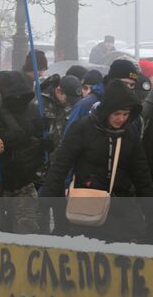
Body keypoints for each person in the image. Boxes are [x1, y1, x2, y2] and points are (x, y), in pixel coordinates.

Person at [40, 82, 153, 240]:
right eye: (117, 114)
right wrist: (44, 203)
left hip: (121, 208)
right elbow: (60, 166)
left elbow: (141, 175)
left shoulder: (129, 133)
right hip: (87, 206)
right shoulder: (82, 128)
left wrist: (149, 212)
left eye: (126, 114)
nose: (121, 119)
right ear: (107, 111)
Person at [0, 71, 43, 234]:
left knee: (26, 230)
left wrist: (43, 142)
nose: (18, 100)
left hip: (23, 181)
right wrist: (29, 132)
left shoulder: (34, 110)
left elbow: (37, 140)